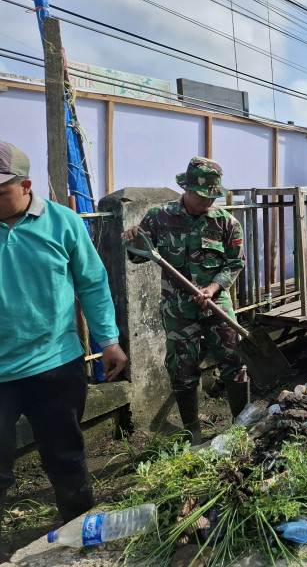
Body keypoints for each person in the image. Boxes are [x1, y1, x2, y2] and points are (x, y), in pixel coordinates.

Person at [0, 141, 127, 527]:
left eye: (0, 191)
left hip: (54, 363)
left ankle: (78, 528)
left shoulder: (63, 223)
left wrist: (108, 341)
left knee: (65, 455)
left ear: (26, 186)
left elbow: (92, 284)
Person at [121, 158, 248, 445]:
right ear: (186, 189)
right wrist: (135, 241)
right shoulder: (158, 217)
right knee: (182, 368)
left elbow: (235, 263)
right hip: (178, 306)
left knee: (233, 360)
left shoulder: (226, 222)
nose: (207, 202)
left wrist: (213, 287)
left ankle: (242, 427)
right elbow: (138, 254)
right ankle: (193, 432)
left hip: (216, 302)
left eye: (212, 197)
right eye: (202, 196)